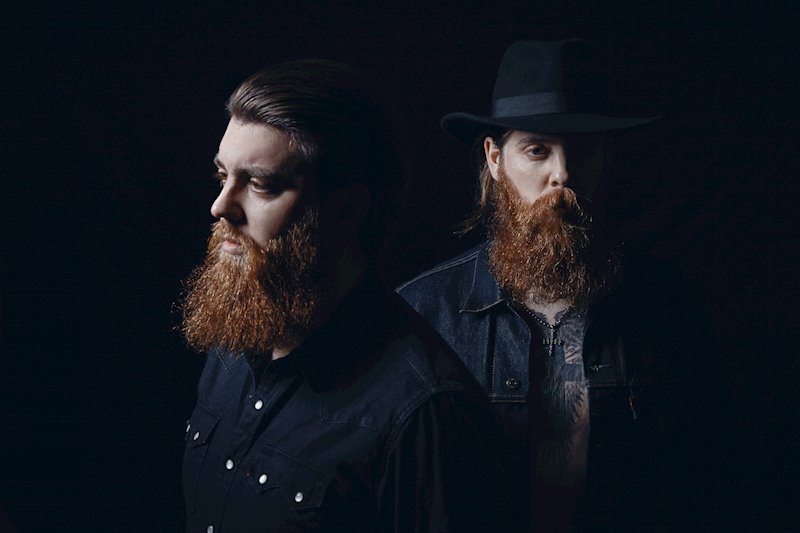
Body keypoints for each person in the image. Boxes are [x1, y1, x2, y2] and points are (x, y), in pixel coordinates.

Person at [179, 59, 509, 532]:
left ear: (345, 210)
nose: (220, 206)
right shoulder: (234, 339)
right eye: (222, 176)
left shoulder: (425, 414)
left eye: (260, 185)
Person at [399, 39, 708, 530]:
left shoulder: (667, 304)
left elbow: (709, 478)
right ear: (495, 159)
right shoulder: (422, 313)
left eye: (581, 150)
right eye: (537, 150)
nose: (562, 174)